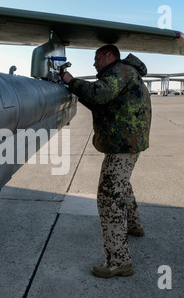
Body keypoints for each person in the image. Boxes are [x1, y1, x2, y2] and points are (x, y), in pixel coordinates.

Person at [61, 44, 151, 278]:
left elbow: (100, 94)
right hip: (128, 143)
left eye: (97, 57)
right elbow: (100, 101)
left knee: (109, 197)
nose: (94, 63)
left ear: (109, 55)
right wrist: (78, 89)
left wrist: (71, 80)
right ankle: (134, 225)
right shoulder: (124, 73)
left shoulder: (119, 72)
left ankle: (119, 261)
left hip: (123, 145)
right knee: (122, 185)